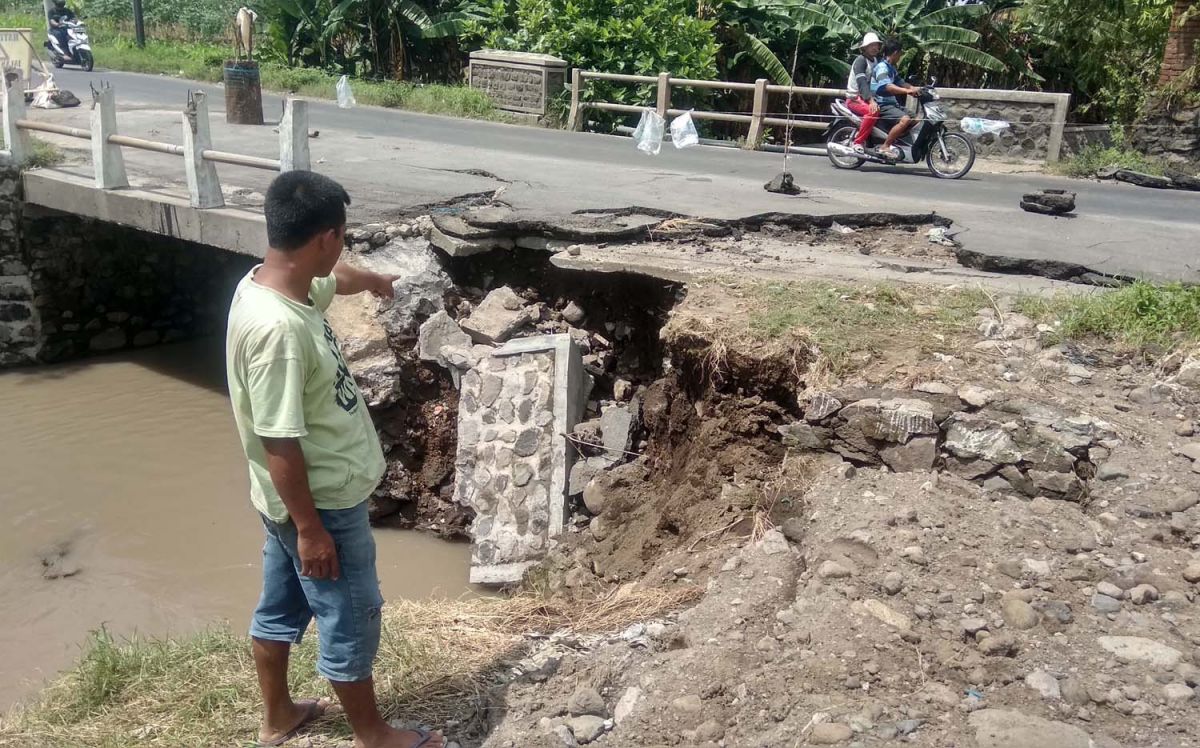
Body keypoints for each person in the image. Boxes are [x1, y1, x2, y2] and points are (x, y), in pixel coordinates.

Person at [226, 170, 445, 748]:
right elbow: (280, 441)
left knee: (280, 605)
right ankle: (374, 735)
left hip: (282, 504)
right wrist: (311, 530)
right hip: (319, 504)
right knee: (349, 613)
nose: (344, 248)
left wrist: (372, 279)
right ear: (325, 237)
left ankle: (278, 716)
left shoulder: (270, 282)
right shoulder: (277, 332)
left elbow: (334, 280)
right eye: (343, 237)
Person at [870, 38, 922, 160]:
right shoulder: (882, 67)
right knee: (905, 119)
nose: (900, 56)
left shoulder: (891, 68)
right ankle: (885, 145)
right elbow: (888, 87)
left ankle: (897, 142)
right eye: (900, 54)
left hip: (892, 104)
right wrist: (908, 91)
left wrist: (916, 89)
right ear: (895, 53)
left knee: (917, 119)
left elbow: (901, 82)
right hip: (882, 104)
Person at [844, 32, 882, 153]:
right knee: (873, 112)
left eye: (876, 45)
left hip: (865, 98)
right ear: (865, 47)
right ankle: (858, 142)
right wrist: (871, 101)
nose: (874, 48)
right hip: (854, 98)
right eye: (871, 45)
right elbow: (862, 83)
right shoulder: (860, 61)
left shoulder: (875, 60)